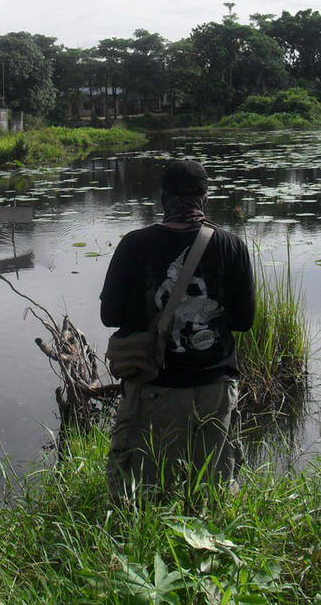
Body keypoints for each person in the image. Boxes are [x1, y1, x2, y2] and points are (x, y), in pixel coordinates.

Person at [100, 159, 255, 501]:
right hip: (215, 387)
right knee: (212, 494)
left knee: (147, 494)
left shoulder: (134, 245)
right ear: (205, 198)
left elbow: (110, 315)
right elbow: (244, 321)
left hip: (156, 388)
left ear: (162, 198)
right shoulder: (232, 246)